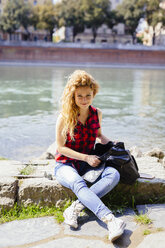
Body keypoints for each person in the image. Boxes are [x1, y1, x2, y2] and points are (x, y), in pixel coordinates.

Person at [54, 70, 126, 242]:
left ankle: (75, 207)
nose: (84, 100)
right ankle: (110, 220)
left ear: (94, 94)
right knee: (78, 183)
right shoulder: (64, 117)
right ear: (73, 96)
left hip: (87, 164)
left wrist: (112, 143)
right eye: (80, 96)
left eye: (88, 95)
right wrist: (86, 157)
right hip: (65, 164)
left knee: (114, 174)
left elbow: (99, 135)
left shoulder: (97, 113)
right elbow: (60, 148)